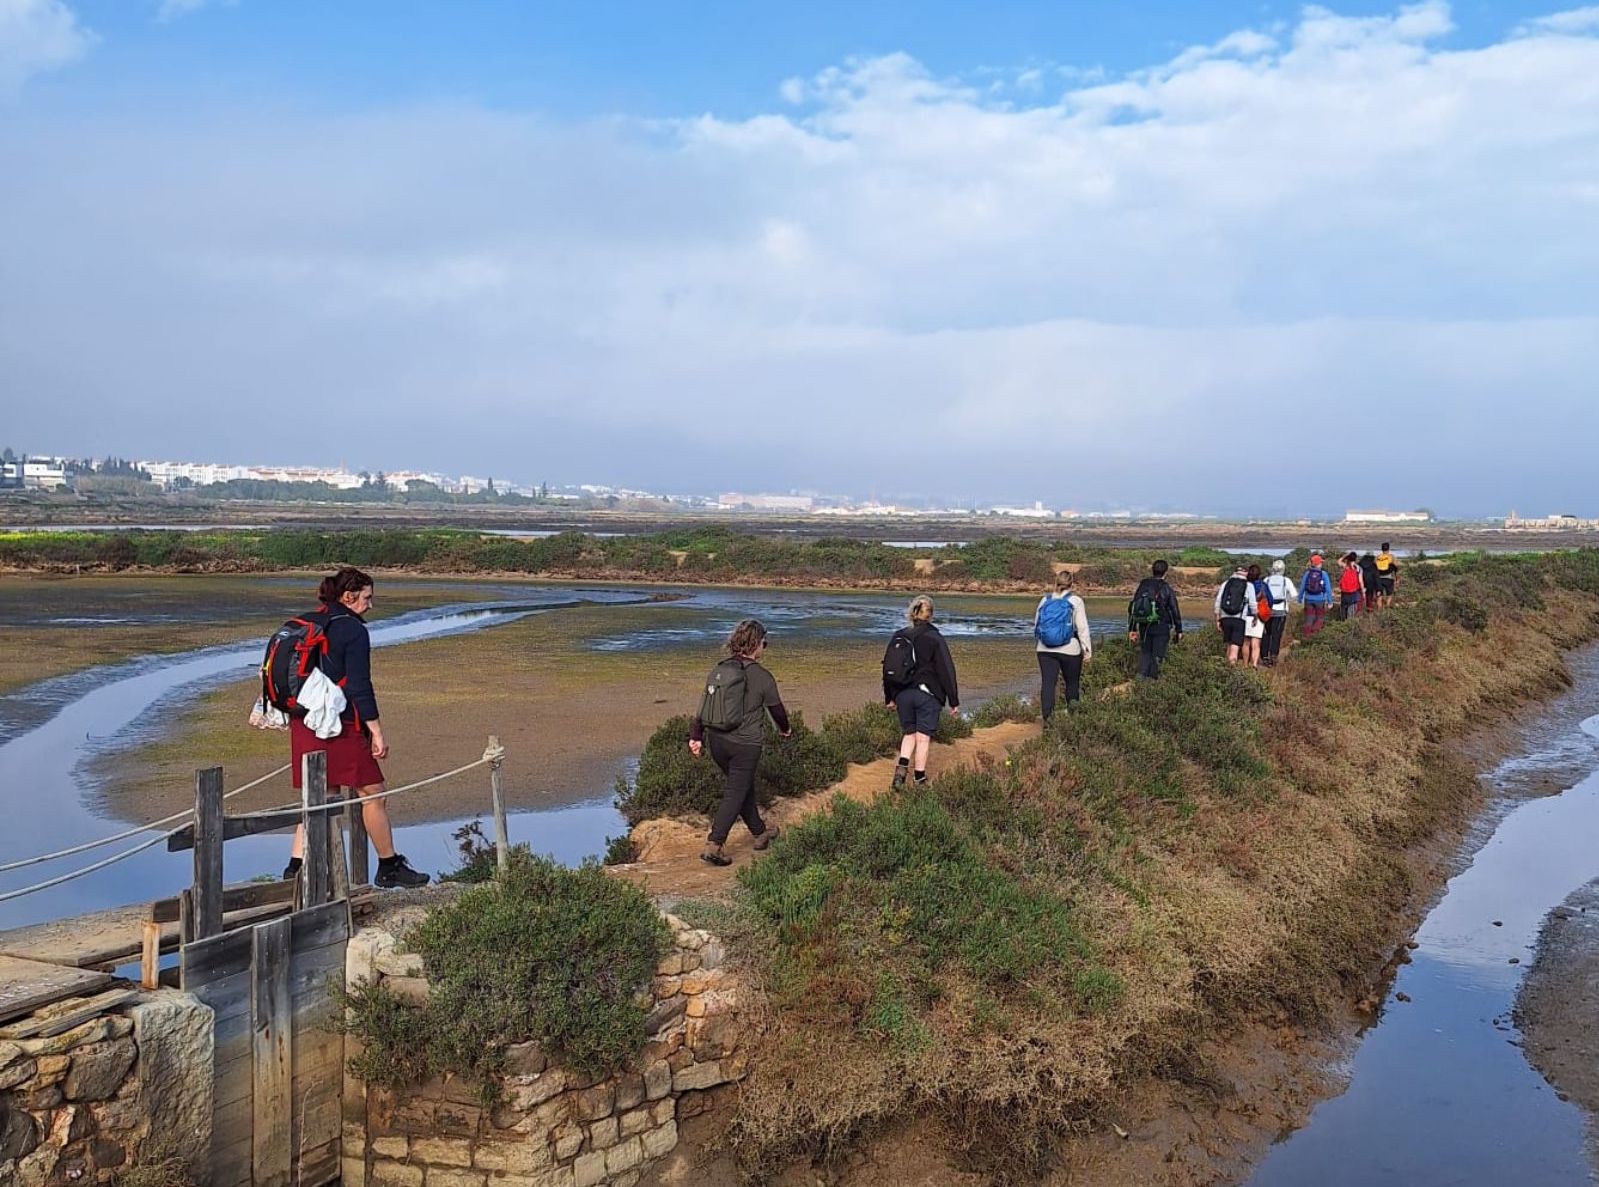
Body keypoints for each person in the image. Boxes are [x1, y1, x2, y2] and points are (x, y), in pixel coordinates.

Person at [285, 567, 428, 889]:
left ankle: (295, 871)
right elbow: (359, 686)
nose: (371, 605)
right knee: (373, 792)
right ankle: (389, 865)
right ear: (349, 596)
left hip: (304, 721)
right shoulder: (353, 630)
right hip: (339, 723)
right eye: (367, 598)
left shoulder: (309, 622)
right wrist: (376, 731)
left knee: (319, 795)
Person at [688, 618, 789, 867]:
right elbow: (777, 711)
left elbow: (702, 708)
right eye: (764, 642)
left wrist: (696, 736)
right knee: (736, 792)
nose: (765, 647)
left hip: (717, 743)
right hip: (745, 746)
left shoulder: (720, 670)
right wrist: (785, 730)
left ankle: (760, 832)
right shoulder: (762, 676)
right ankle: (714, 844)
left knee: (742, 787)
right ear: (756, 644)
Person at [884, 595, 960, 788]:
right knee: (923, 737)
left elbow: (888, 669)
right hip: (927, 695)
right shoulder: (935, 637)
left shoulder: (899, 635)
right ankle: (919, 779)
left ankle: (900, 774)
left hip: (902, 694)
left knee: (909, 734)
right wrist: (953, 701)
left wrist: (889, 697)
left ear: (912, 613)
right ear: (931, 615)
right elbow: (946, 671)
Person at [1034, 570, 1092, 722]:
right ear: (1072, 584)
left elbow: (1036, 625)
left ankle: (1048, 722)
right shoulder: (1076, 601)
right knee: (1072, 684)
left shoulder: (1044, 600)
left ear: (1055, 582)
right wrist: (1087, 650)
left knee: (1048, 684)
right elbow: (1082, 628)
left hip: (1044, 649)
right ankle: (1074, 718)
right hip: (1070, 649)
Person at [1127, 559, 1184, 679]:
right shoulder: (1166, 587)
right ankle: (1153, 684)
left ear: (1152, 570)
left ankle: (1140, 682)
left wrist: (1132, 629)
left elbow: (1134, 607)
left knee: (1145, 655)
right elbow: (1174, 609)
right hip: (1161, 626)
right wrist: (1179, 630)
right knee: (1157, 657)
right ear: (1165, 572)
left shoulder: (1143, 585)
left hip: (1144, 625)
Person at [1214, 565, 1257, 666]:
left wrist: (1217, 618)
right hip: (1239, 619)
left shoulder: (1226, 583)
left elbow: (1218, 601)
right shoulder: (1248, 585)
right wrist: (1255, 617)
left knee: (1229, 644)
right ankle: (1232, 669)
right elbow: (1252, 604)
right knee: (1235, 646)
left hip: (1225, 618)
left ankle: (1226, 668)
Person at [1261, 559, 1298, 665]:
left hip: (1267, 611)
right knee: (1276, 635)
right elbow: (1294, 595)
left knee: (1266, 634)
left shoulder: (1267, 579)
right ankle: (1273, 656)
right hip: (1280, 611)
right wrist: (1287, 600)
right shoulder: (1286, 580)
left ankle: (1264, 656)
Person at [1299, 553, 1334, 636]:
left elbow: (1302, 587)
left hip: (1308, 599)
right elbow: (1328, 589)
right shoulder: (1324, 574)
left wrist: (1299, 599)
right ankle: (1315, 634)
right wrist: (1330, 602)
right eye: (1321, 562)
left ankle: (1307, 636)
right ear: (1318, 564)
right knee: (1320, 618)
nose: (1322, 564)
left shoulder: (1307, 573)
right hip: (1320, 599)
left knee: (1309, 618)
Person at [1242, 563, 1268, 668]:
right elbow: (1270, 600)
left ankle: (1245, 665)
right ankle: (1254, 665)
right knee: (1256, 643)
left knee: (1246, 642)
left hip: (1245, 615)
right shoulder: (1263, 585)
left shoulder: (1245, 585)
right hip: (1259, 615)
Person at [1337, 551, 1364, 621]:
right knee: (1351, 608)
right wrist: (1363, 591)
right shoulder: (1358, 568)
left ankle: (1342, 621)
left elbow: (1338, 561)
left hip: (1344, 591)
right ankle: (1349, 623)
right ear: (1356, 559)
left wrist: (1345, 556)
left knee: (1343, 607)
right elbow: (1360, 581)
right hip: (1354, 591)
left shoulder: (1346, 566)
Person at [1374, 542, 1400, 609]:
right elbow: (1396, 569)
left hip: (1379, 579)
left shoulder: (1377, 557)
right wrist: (1397, 579)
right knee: (1389, 595)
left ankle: (1379, 609)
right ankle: (1387, 607)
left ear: (1381, 549)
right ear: (1388, 549)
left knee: (1379, 595)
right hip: (1389, 579)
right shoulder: (1392, 557)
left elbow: (1374, 568)